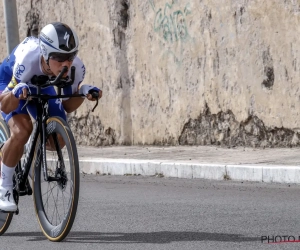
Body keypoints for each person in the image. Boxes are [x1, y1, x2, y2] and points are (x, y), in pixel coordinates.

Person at [0, 22, 102, 211]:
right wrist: (15, 93)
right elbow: (4, 103)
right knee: (22, 131)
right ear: (46, 54)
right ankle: (4, 187)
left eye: (70, 57)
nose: (66, 63)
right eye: (60, 58)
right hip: (11, 82)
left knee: (60, 138)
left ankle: (33, 148)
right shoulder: (28, 59)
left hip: (40, 82)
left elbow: (67, 106)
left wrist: (82, 93)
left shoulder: (76, 68)